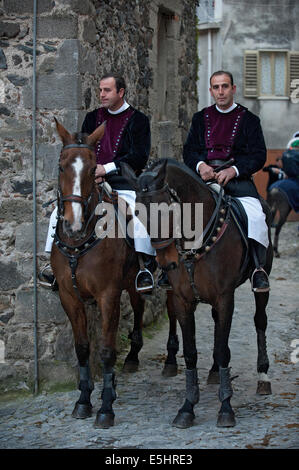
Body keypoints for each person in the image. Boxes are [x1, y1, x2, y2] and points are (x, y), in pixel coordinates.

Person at [39, 73, 157, 294]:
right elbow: (83, 152)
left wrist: (107, 168)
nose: (102, 94)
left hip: (123, 183)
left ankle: (144, 268)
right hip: (90, 182)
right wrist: (92, 172)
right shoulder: (92, 118)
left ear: (120, 92)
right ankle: (52, 268)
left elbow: (139, 156)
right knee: (58, 212)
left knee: (139, 217)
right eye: (100, 90)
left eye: (107, 90)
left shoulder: (139, 120)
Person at [183, 70, 270, 292]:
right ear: (211, 90)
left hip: (237, 181)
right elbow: (190, 151)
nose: (220, 92)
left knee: (257, 215)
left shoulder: (250, 120)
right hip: (205, 180)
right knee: (180, 212)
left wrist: (234, 170)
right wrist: (201, 166)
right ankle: (174, 269)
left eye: (224, 86)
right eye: (216, 87)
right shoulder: (200, 118)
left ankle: (258, 269)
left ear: (233, 89)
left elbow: (258, 155)